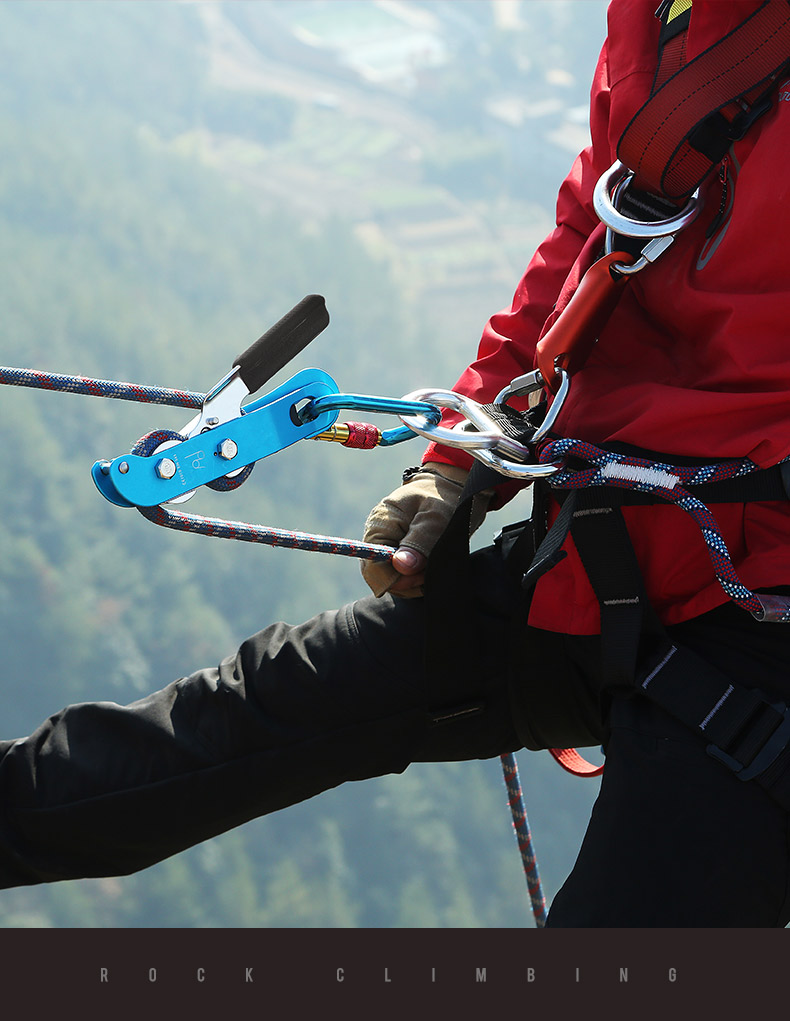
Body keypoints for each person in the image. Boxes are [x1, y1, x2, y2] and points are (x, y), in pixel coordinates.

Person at [1, 0, 790, 926]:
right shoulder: (667, 16)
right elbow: (602, 223)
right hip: (608, 555)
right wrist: (457, 460)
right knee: (253, 710)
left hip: (761, 618)